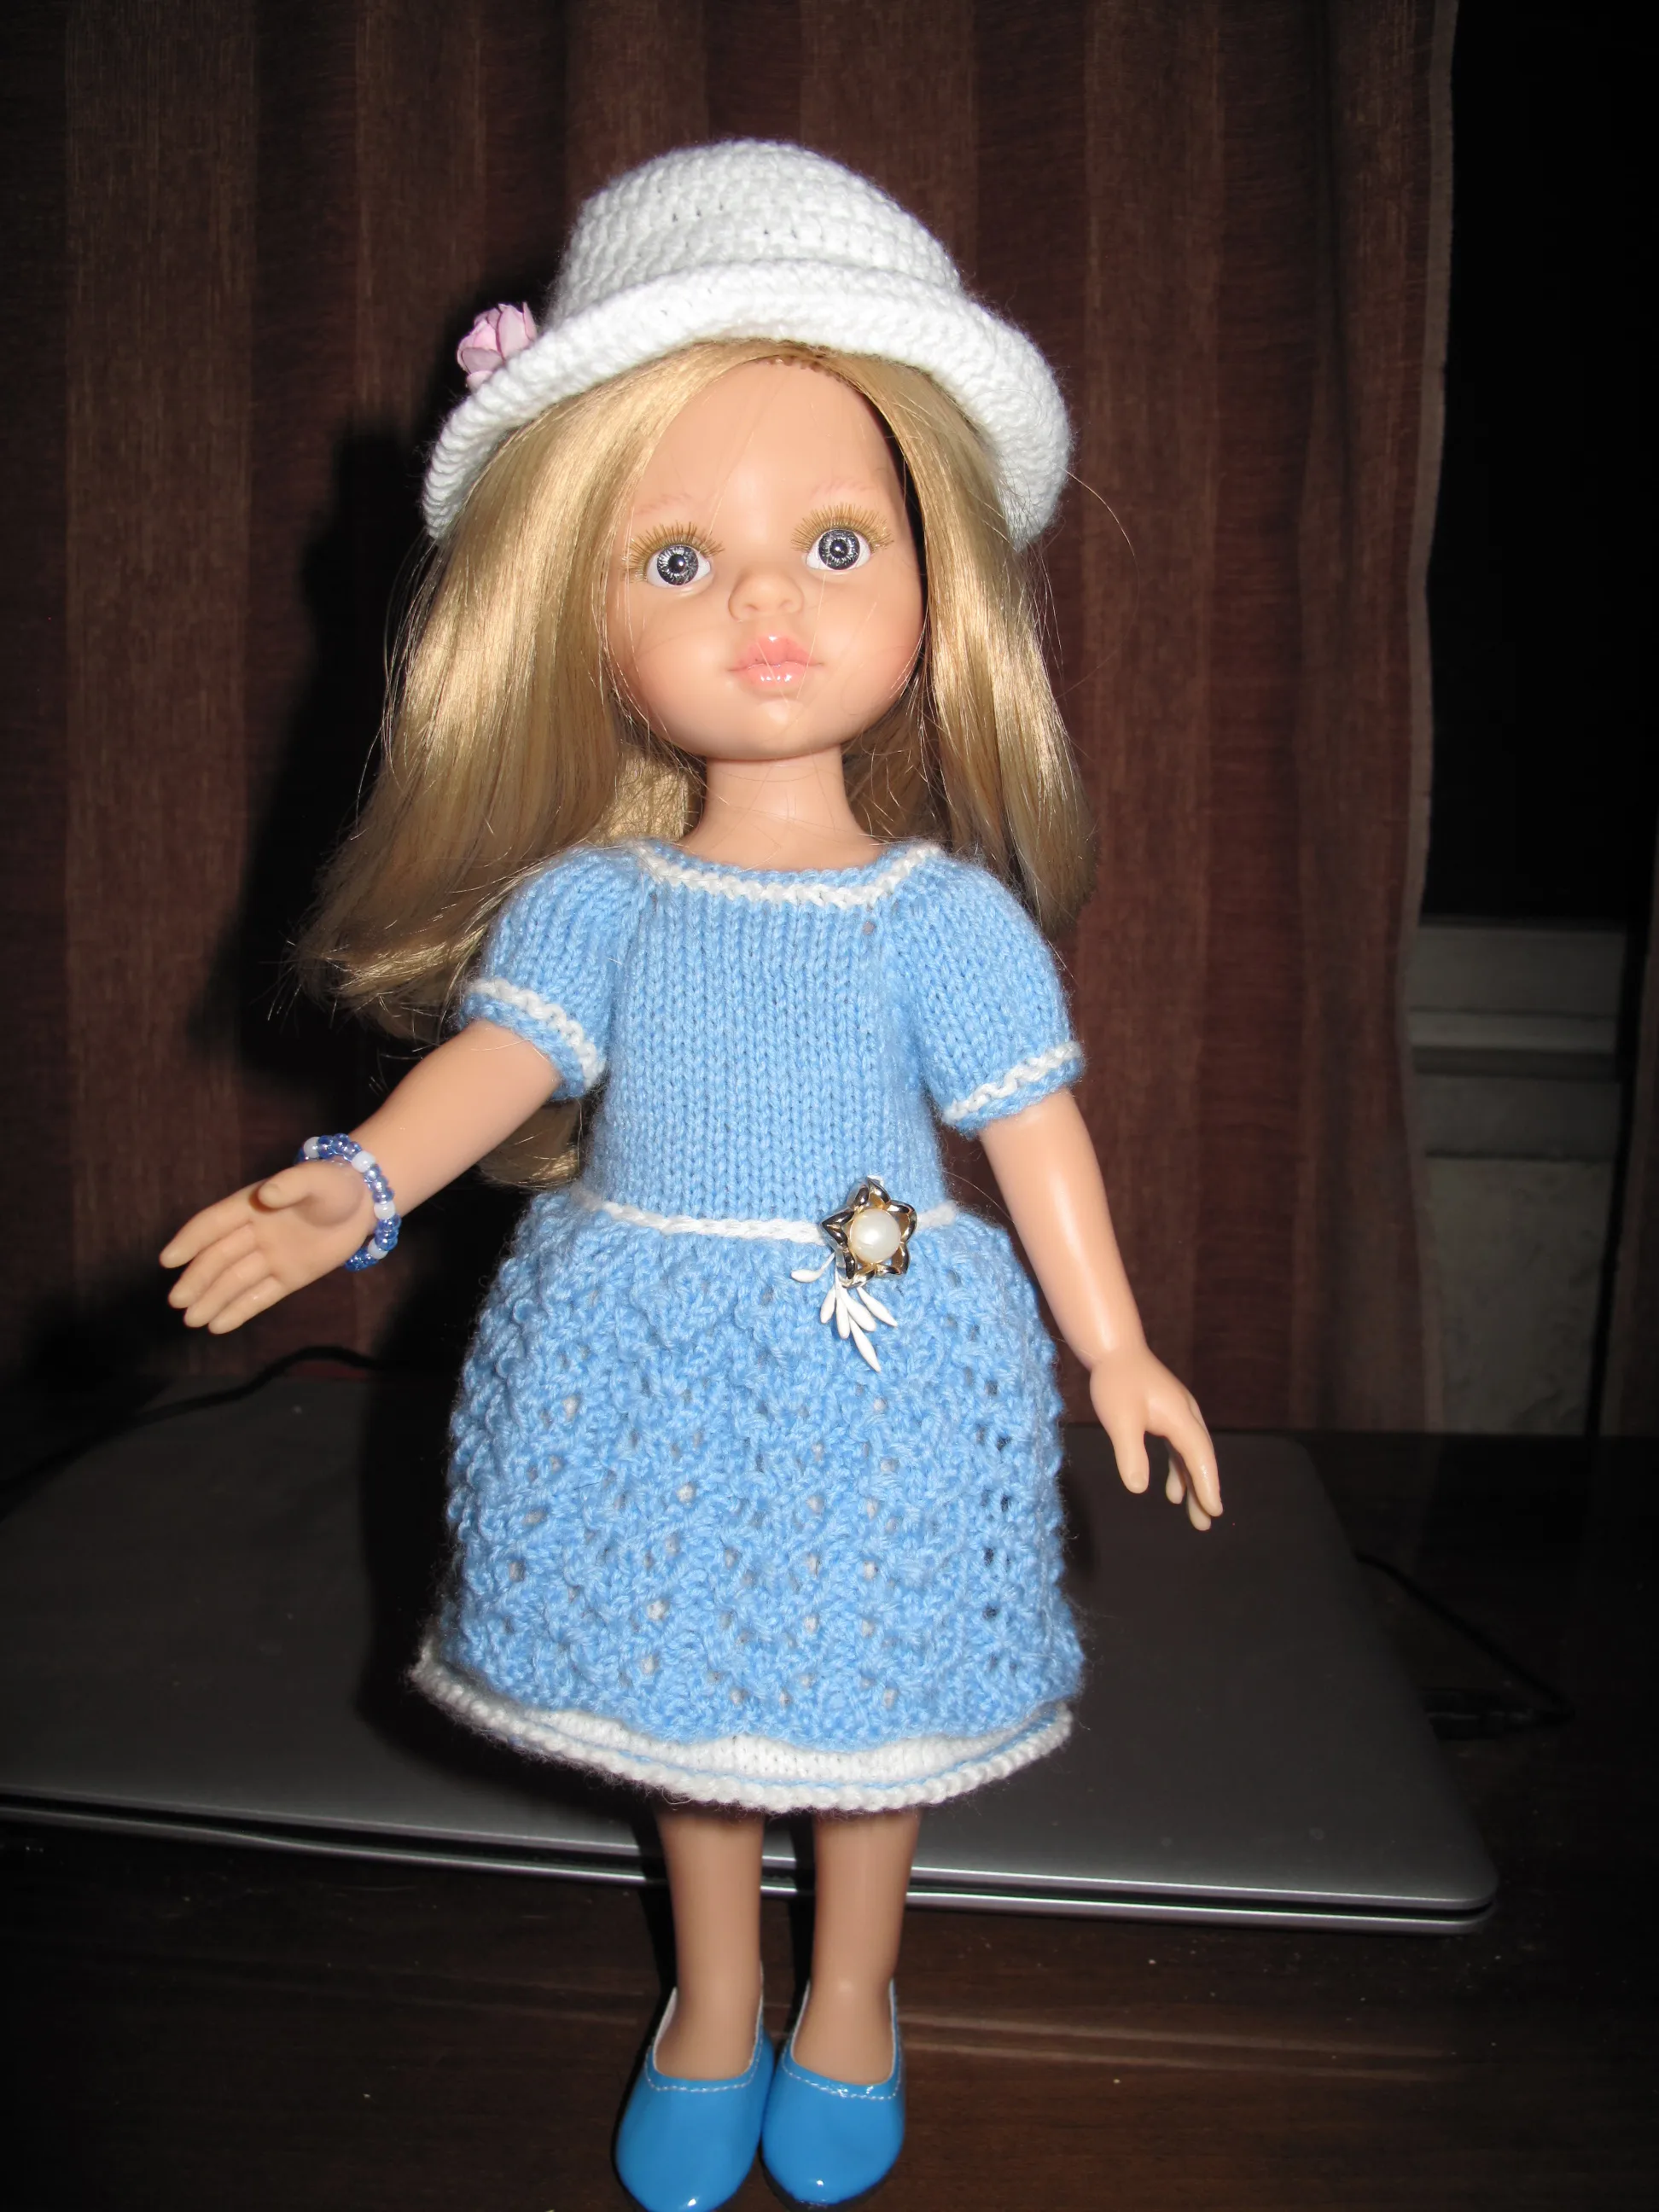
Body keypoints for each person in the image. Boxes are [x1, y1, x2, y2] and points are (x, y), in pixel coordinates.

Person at [161, 142, 1220, 2212]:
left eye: (835, 543)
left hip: (874, 1318)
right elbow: (503, 1064)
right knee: (681, 1697)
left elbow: (1031, 1126)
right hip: (638, 1326)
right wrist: (355, 1185)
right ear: (574, 611)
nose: (764, 607)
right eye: (675, 560)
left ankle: (857, 1991)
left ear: (935, 581)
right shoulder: (597, 899)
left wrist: (1115, 1347)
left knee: (870, 1689)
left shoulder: (939, 915)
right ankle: (717, 1996)